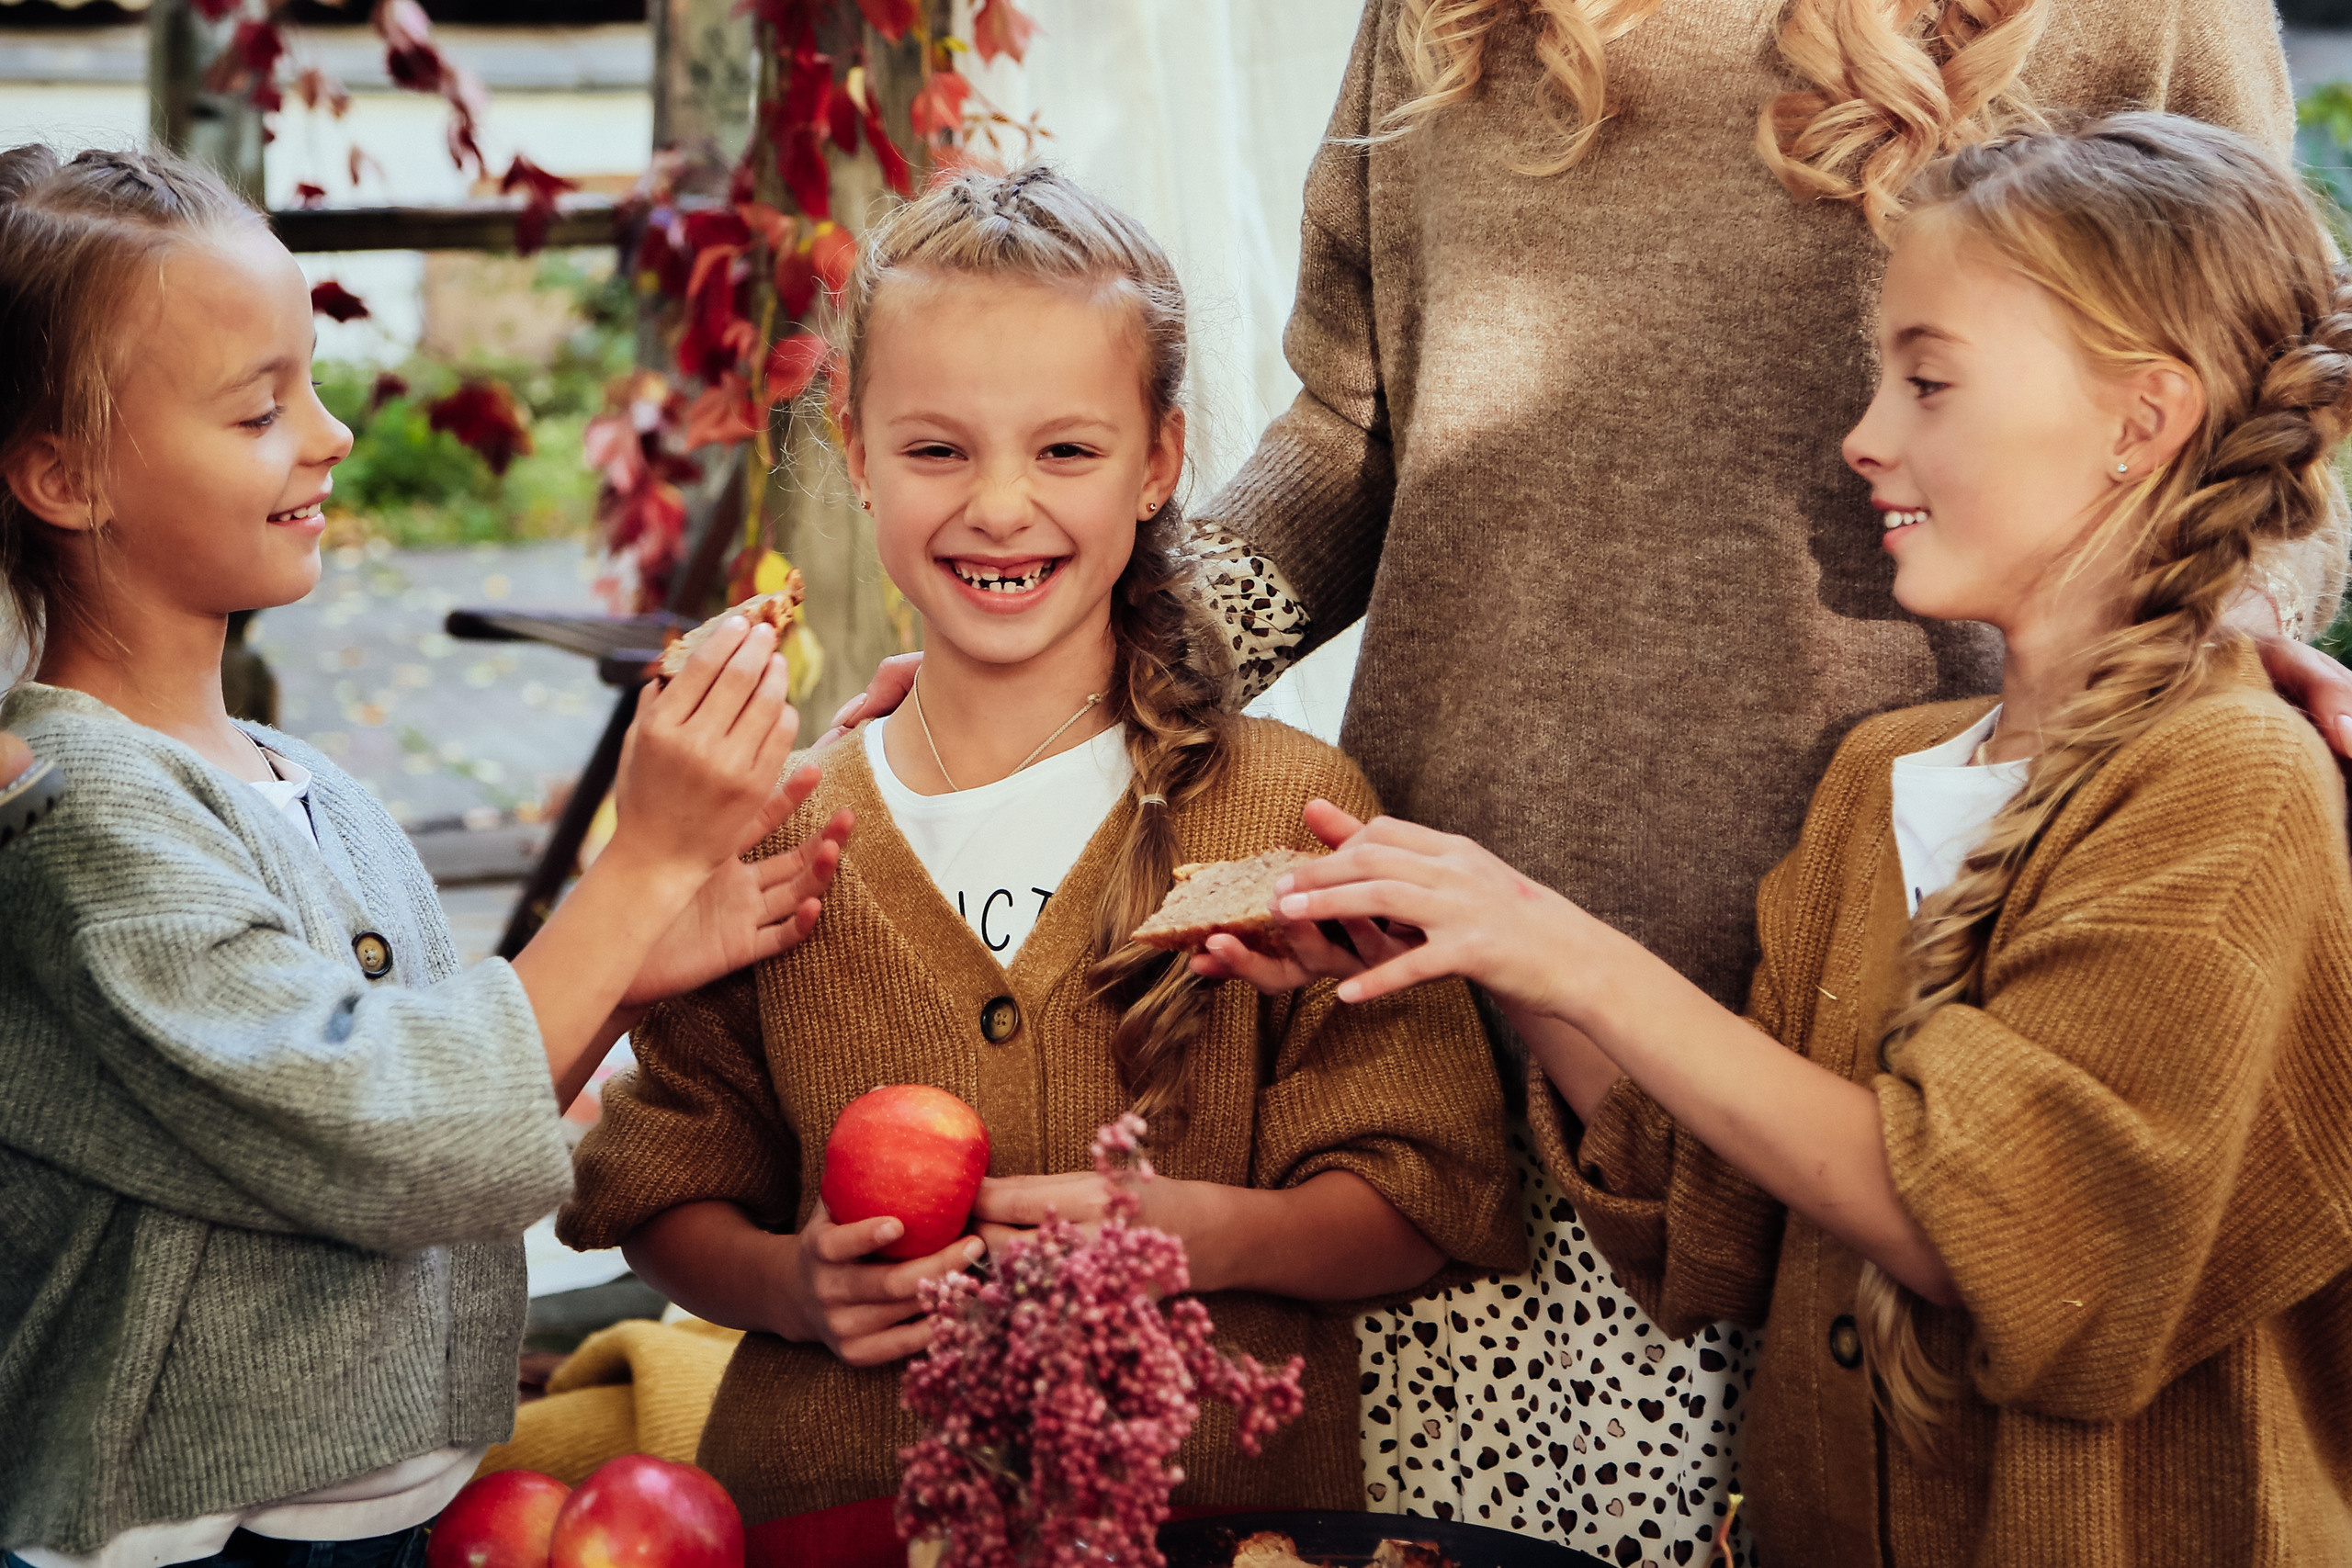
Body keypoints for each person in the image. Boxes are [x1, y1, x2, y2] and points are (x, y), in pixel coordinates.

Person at [827, 2, 2352, 1554]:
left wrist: (2226, 668)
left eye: (1924, 384)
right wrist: (1112, 662)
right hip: (1499, 1056)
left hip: (1922, 996)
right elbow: (1355, 427)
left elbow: (2245, 349)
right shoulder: (1442, 15)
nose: (1865, 437)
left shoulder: (2136, 17)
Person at [1223, 113, 2352, 1563]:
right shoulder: (1880, 780)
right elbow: (1743, 1224)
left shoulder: (2229, 786)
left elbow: (1998, 1237)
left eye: (1928, 383)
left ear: (2143, 421)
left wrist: (1567, 942)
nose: (1864, 437)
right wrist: (1478, 957)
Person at [555, 164, 1525, 1541]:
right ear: (853, 442)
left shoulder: (1291, 814)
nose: (999, 507)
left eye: (1065, 451)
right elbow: (668, 1185)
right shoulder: (772, 832)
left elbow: (1420, 1194)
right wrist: (787, 1288)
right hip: (833, 1513)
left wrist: (1198, 1234)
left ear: (1160, 463)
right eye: (938, 449)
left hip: (1203, 1520)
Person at [0, 144, 849, 1568]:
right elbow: (396, 1137)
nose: (329, 436)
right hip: (184, 1543)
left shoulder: (314, 788)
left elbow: (458, 1127)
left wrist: (635, 969)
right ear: (64, 476)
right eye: (262, 410)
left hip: (386, 1508)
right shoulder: (80, 830)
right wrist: (634, 870)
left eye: (314, 389)